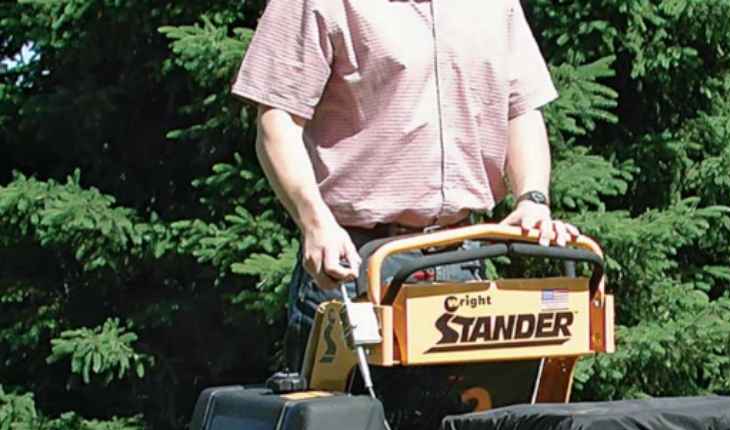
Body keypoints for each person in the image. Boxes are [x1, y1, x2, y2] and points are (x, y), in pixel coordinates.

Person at [232, 0, 579, 367]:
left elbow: (521, 109)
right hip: (354, 264)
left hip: (462, 259)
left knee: (465, 420)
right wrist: (315, 223)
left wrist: (533, 199)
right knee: (347, 423)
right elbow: (277, 120)